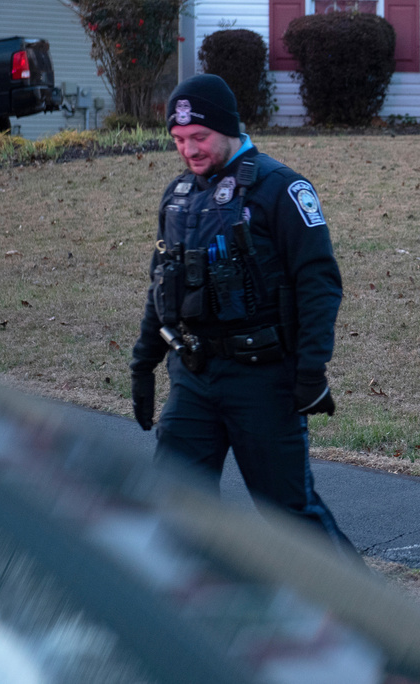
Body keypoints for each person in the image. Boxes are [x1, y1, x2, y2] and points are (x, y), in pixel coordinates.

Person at [130, 74, 355, 557]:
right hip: (193, 375)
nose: (188, 150)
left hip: (263, 378)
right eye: (178, 140)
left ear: (229, 128)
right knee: (175, 504)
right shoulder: (178, 196)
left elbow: (320, 283)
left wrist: (312, 369)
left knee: (289, 514)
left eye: (199, 137)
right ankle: (196, 614)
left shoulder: (282, 188)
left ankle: (371, 620)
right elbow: (161, 284)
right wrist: (142, 363)